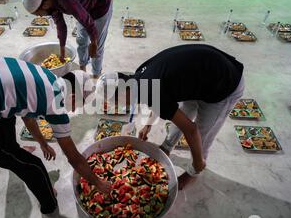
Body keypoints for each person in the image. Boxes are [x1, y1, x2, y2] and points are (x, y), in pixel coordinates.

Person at [0, 58, 110, 214]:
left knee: (8, 117)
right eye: (77, 105)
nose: (74, 110)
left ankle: (12, 148)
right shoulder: (56, 103)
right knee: (33, 166)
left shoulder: (45, 75)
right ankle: (49, 204)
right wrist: (97, 182)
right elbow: (74, 158)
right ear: (72, 97)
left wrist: (43, 143)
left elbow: (27, 114)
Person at [95, 44, 245, 190]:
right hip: (202, 75)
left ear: (122, 93)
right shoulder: (139, 75)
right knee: (184, 112)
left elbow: (191, 130)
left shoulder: (149, 92)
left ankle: (194, 171)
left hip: (224, 84)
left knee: (203, 135)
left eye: (116, 102)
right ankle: (167, 147)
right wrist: (148, 125)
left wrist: (198, 162)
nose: (121, 106)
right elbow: (159, 96)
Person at [22, 0, 113, 78]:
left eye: (38, 13)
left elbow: (87, 21)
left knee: (97, 47)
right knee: (81, 39)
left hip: (101, 2)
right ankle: (82, 69)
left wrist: (94, 42)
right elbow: (61, 27)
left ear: (45, 5)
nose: (40, 16)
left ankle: (96, 75)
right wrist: (62, 53)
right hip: (84, 5)